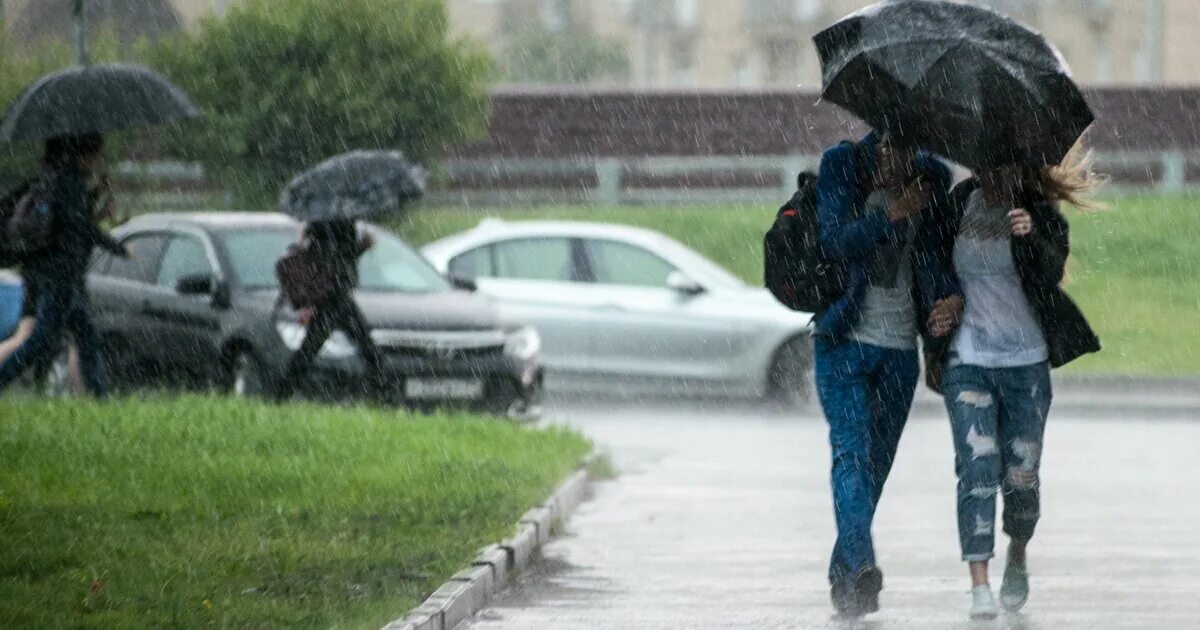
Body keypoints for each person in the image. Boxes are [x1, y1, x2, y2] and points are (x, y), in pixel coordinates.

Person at [926, 147, 1101, 620]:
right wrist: (940, 306)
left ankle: (1017, 553)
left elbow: (1048, 274)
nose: (994, 175)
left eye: (1003, 166)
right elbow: (932, 265)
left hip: (1026, 364)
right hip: (969, 359)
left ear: (1019, 167)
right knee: (977, 467)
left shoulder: (1039, 211)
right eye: (987, 165)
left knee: (1020, 477)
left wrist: (1028, 236)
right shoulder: (958, 204)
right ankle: (978, 584)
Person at [813, 130, 963, 618]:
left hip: (900, 351)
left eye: (904, 152)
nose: (895, 161)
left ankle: (848, 575)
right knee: (851, 455)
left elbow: (937, 256)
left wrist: (950, 298)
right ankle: (862, 564)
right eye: (887, 152)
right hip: (844, 343)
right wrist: (892, 212)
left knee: (875, 467)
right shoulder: (842, 166)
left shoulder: (932, 178)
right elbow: (834, 242)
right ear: (874, 146)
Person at [0, 133, 128, 397]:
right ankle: (98, 395)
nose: (98, 161)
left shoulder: (62, 181)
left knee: (86, 338)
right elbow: (79, 225)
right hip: (59, 277)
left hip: (63, 275)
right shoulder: (68, 183)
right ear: (85, 155)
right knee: (41, 340)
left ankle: (100, 397)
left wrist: (98, 197)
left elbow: (73, 219)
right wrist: (118, 247)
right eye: (97, 155)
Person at [275, 218, 385, 401]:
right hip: (333, 298)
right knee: (368, 351)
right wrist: (362, 246)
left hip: (334, 297)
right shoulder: (334, 223)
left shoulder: (325, 222)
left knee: (309, 351)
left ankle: (282, 394)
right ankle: (385, 396)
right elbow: (334, 260)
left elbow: (328, 259)